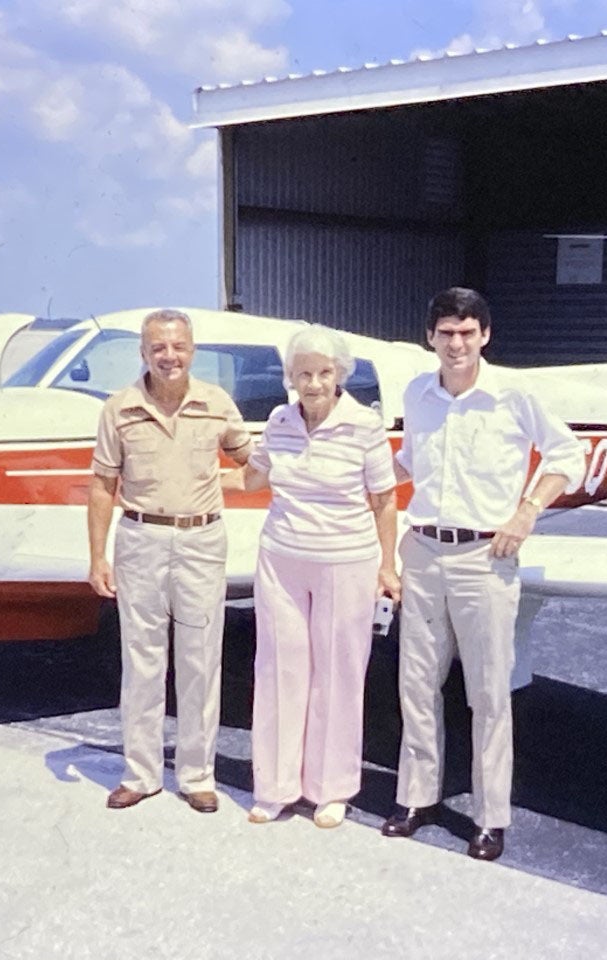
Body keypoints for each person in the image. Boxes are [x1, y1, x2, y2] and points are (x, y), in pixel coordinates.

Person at [381, 287, 585, 860]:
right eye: (446, 333)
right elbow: (408, 463)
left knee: (488, 692)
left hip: (484, 558)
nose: (457, 344)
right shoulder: (418, 394)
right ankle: (416, 799)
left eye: (467, 333)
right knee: (416, 683)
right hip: (423, 552)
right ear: (430, 337)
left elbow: (566, 455)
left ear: (485, 336)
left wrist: (527, 511)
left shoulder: (514, 394)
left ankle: (490, 816)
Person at [227, 325, 400, 829]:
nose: (314, 383)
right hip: (281, 558)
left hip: (346, 560)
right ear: (290, 377)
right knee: (278, 669)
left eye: (324, 372)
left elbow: (384, 500)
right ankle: (275, 788)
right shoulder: (279, 421)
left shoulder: (364, 426)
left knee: (338, 674)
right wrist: (182, 482)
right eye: (304, 373)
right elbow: (252, 477)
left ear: (339, 374)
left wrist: (388, 565)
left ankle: (331, 790)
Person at [88, 308, 253, 814]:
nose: (169, 356)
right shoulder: (119, 409)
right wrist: (97, 557)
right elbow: (102, 486)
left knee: (200, 660)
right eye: (158, 347)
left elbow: (253, 463)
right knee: (142, 660)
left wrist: (217, 485)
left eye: (178, 346)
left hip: (201, 541)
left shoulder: (216, 403)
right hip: (140, 539)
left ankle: (197, 776)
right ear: (143, 353)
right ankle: (140, 774)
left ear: (192, 350)